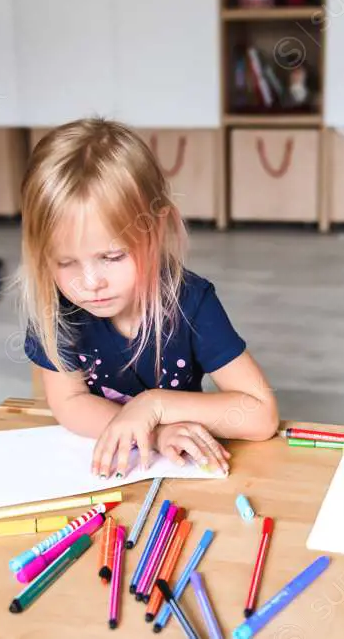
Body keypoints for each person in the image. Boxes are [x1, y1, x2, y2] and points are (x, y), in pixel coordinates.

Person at [18, 118, 279, 479]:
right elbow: (68, 402)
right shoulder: (56, 306)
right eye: (65, 263)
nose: (90, 283)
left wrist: (153, 405)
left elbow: (261, 415)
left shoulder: (192, 303)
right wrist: (154, 434)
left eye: (112, 257)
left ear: (158, 229)